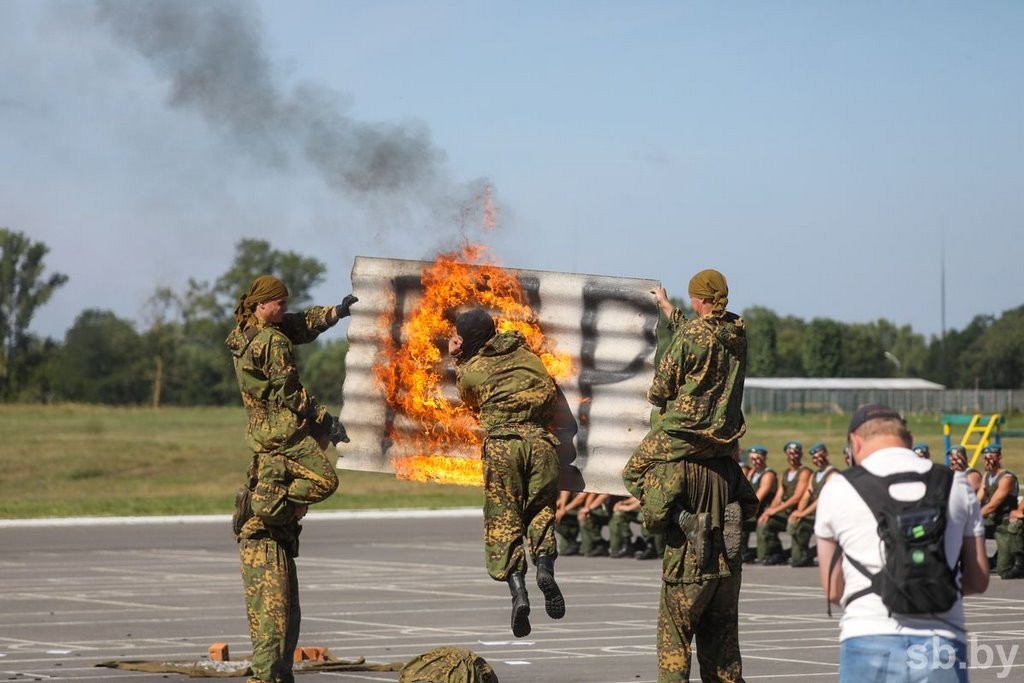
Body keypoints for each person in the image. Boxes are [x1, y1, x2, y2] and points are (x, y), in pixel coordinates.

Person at [622, 269, 758, 682]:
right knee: (723, 647)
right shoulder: (736, 332)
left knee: (633, 473)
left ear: (699, 299)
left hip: (683, 433)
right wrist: (669, 312)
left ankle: (684, 519)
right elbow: (704, 337)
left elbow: (662, 388)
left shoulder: (692, 337)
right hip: (722, 437)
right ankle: (728, 514)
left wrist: (658, 391)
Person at [225, 275, 357, 683]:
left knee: (286, 624)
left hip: (266, 441)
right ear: (263, 305)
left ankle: (276, 501)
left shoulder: (249, 333)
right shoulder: (273, 343)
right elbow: (290, 391)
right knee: (325, 481)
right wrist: (325, 420)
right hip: (279, 435)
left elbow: (298, 324)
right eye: (278, 303)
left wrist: (334, 314)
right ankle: (270, 502)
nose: (284, 308)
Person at [815, 404, 989, 683]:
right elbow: (978, 579)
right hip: (941, 638)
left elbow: (833, 590)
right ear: (907, 439)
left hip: (867, 635)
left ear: (855, 443)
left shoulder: (837, 487)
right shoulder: (956, 483)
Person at [449, 307, 565, 638]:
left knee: (504, 520)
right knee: (541, 511)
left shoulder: (475, 369)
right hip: (542, 443)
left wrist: (458, 359)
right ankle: (545, 566)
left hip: (503, 447)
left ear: (468, 338)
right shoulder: (528, 355)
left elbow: (468, 398)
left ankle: (519, 592)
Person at [756, 441, 811, 565]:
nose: (793, 456)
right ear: (786, 455)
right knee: (766, 523)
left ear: (801, 454)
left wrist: (775, 510)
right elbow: (778, 497)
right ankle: (776, 553)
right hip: (786, 512)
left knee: (797, 559)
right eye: (790, 453)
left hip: (799, 511)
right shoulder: (785, 474)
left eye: (796, 453)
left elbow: (797, 497)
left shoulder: (804, 472)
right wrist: (768, 512)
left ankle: (802, 554)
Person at [786, 442, 837, 567]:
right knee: (797, 524)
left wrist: (803, 513)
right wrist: (798, 512)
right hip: (816, 513)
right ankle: (801, 556)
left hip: (829, 514)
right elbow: (806, 496)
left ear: (826, 454)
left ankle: (809, 554)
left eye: (820, 456)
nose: (817, 459)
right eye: (814, 458)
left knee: (803, 524)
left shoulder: (833, 474)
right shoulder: (815, 475)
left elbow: (821, 499)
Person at [977, 444, 1021, 577]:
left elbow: (993, 505)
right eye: (985, 458)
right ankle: (974, 561)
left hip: (1004, 524)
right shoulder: (986, 476)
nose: (987, 460)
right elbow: (978, 499)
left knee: (1004, 571)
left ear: (999, 458)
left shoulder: (1007, 478)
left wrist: (972, 516)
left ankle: (1014, 561)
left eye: (991, 457)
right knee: (967, 530)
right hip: (991, 521)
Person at [741, 445, 777, 562]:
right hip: (753, 510)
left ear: (764, 458)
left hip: (762, 510)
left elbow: (758, 497)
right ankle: (742, 551)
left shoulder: (768, 474)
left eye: (758, 459)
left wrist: (743, 508)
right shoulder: (752, 473)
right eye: (752, 459)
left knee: (740, 520)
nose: (755, 462)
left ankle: (753, 552)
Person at [554, 490, 586, 556]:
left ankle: (574, 543)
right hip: (571, 508)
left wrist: (564, 510)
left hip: (581, 508)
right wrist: (558, 508)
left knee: (587, 550)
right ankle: (572, 542)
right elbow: (565, 492)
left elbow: (580, 498)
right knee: (564, 549)